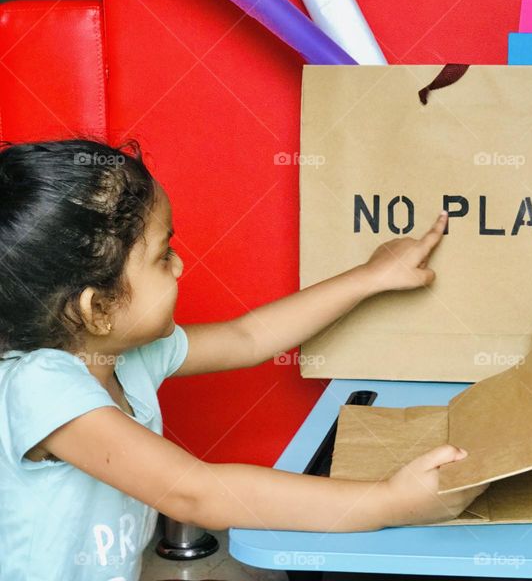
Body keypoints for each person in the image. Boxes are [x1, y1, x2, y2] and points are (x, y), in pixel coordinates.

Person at [0, 138, 485, 581]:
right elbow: (196, 493)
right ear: (98, 308)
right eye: (163, 255)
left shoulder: (123, 356)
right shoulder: (41, 385)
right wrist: (388, 502)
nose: (180, 265)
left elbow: (249, 336)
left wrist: (371, 276)